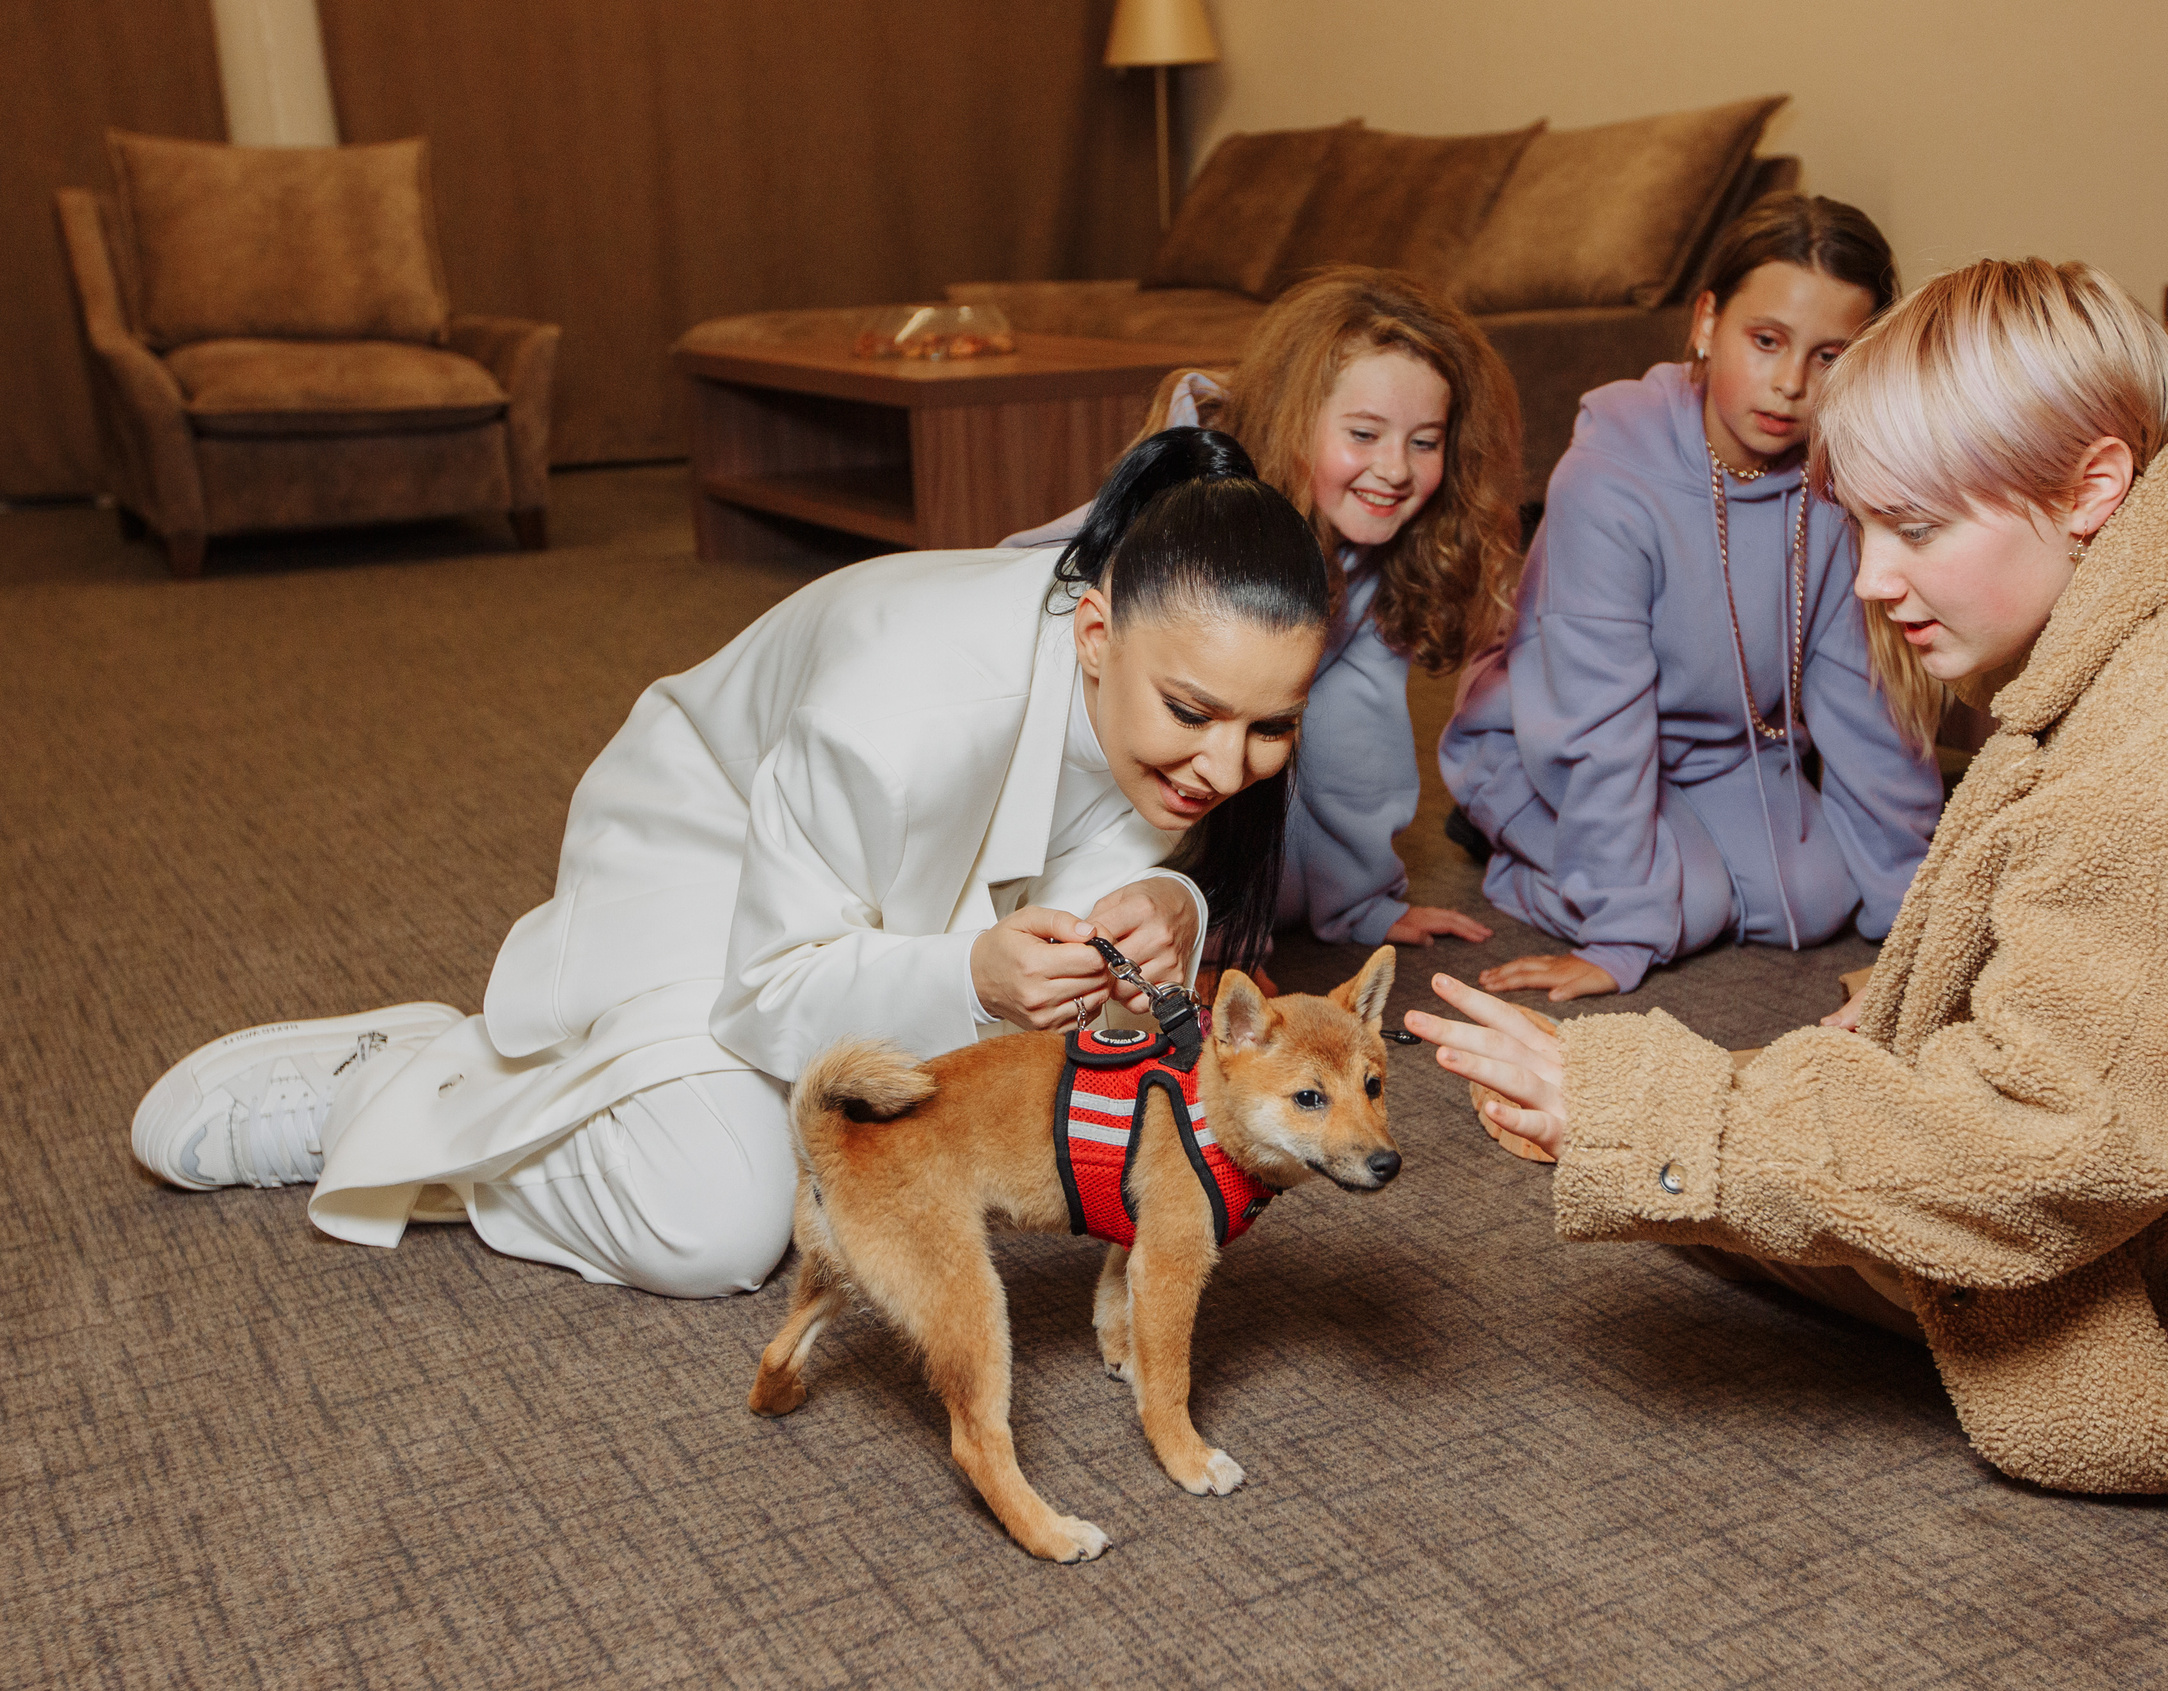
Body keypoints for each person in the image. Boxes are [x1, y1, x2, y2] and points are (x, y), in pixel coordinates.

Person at [1410, 258, 2168, 1533]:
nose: (1868, 580)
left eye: (1915, 529)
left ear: (2094, 487)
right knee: (1747, 1147)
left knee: (1705, 1184)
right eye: (1859, 527)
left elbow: (2064, 1145)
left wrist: (1647, 1112)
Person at [129, 429, 1335, 1299]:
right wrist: (970, 978)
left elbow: (1100, 871)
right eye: (1194, 714)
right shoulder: (907, 703)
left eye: (1270, 728)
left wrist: (1164, 902)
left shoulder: (1167, 691)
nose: (1225, 768)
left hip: (900, 905)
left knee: (857, 1161)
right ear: (1096, 635)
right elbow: (770, 989)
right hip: (705, 870)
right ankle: (397, 1090)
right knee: (712, 1224)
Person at [1439, 194, 1943, 1002]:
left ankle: (1659, 862)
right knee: (1685, 907)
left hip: (1724, 752)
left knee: (1821, 898)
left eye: (1828, 356)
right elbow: (1596, 721)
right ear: (1707, 322)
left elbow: (1865, 700)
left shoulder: (1839, 484)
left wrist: (1917, 909)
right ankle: (1515, 844)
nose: (1789, 384)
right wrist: (1622, 930)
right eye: (1766, 340)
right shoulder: (1610, 474)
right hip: (1553, 740)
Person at [1007, 268, 1525, 959]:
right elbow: (1118, 750)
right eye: (1364, 433)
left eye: (1424, 442)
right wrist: (1202, 930)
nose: (1396, 468)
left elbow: (1357, 744)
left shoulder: (1376, 546)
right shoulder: (1185, 522)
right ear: (1292, 420)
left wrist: (1360, 901)